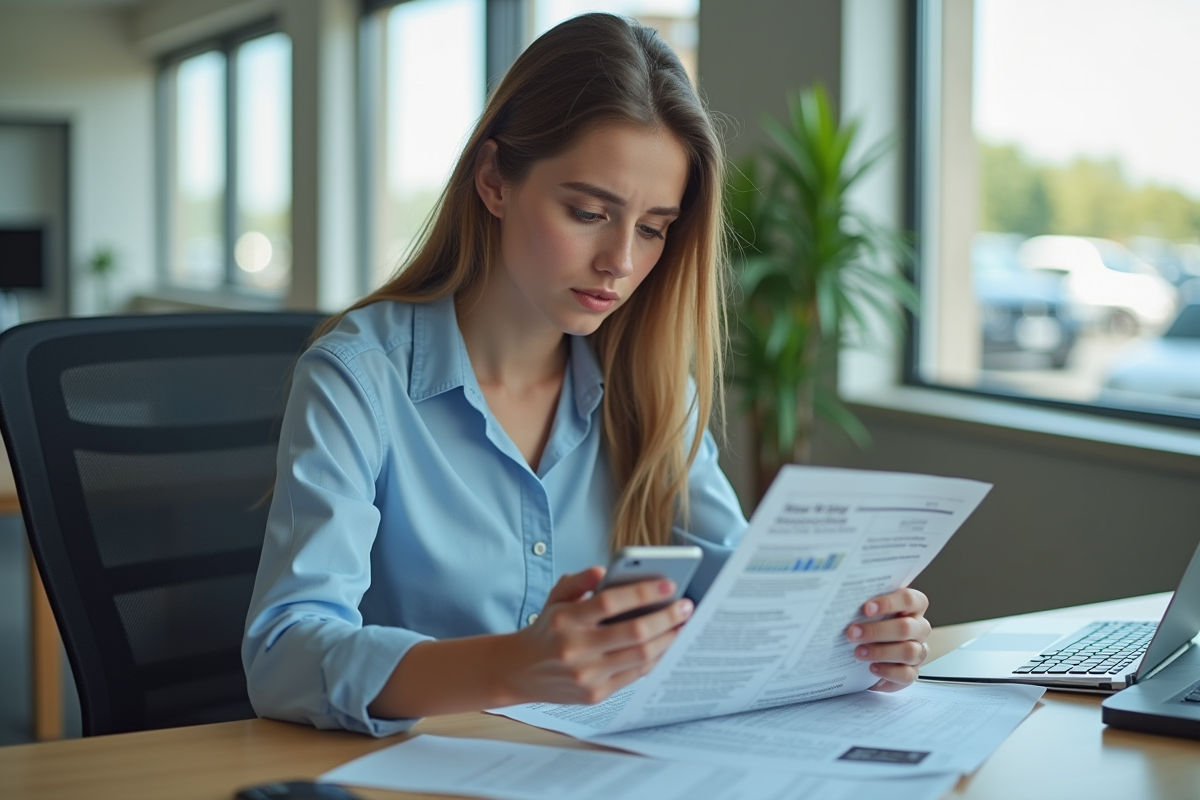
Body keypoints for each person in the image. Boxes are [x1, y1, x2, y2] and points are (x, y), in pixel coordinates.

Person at [242, 12, 931, 737]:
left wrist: (859, 629)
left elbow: (743, 593)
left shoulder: (654, 384)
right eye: (588, 211)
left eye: (653, 227)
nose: (621, 262)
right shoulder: (359, 379)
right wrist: (515, 664)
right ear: (494, 182)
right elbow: (284, 654)